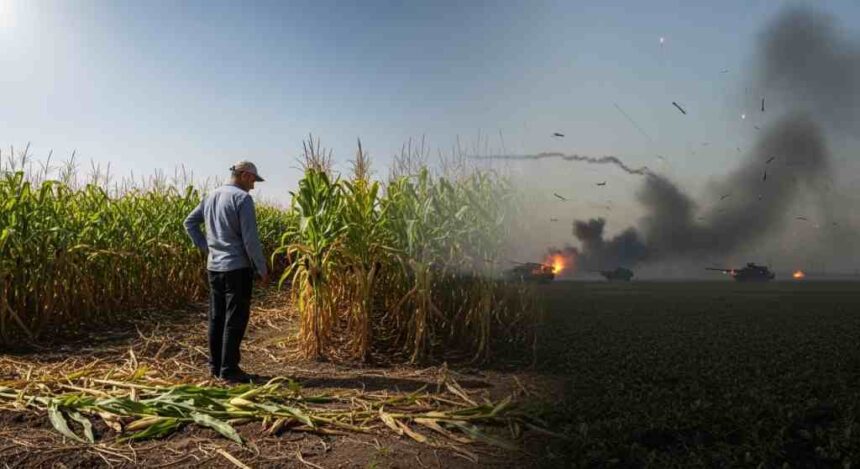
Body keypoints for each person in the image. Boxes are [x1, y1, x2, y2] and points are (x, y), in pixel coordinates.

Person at [184, 161, 270, 383]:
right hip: (237, 268)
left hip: (214, 267)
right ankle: (230, 369)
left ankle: (215, 366)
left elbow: (189, 223)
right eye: (252, 179)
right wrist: (261, 268)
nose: (253, 185)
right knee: (235, 318)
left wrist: (208, 249)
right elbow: (250, 240)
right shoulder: (242, 199)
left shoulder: (211, 195)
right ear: (242, 175)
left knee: (217, 316)